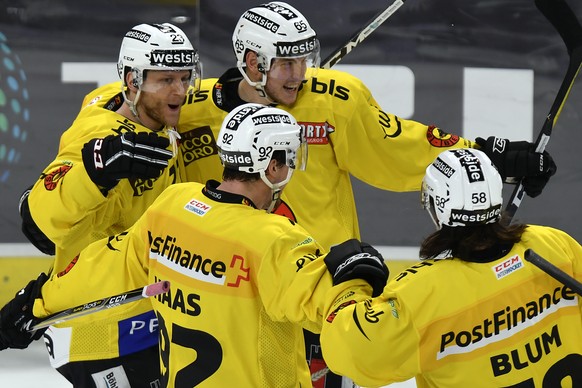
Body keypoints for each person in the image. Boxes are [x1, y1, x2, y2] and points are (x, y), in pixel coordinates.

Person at [28, 2, 557, 386]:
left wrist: (493, 154)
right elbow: (112, 111)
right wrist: (100, 151)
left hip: (317, 294)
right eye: (284, 62)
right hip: (230, 298)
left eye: (305, 60)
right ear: (251, 62)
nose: (299, 75)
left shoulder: (335, 103)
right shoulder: (191, 108)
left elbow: (405, 149)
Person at [0, 103, 390, 387]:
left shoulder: (172, 207)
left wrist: (37, 300)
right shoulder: (275, 239)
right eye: (289, 161)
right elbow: (342, 324)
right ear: (271, 166)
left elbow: (104, 267)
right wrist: (358, 282)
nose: (290, 173)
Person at [17, 23, 202, 387]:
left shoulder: (132, 104)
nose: (180, 91)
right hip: (99, 333)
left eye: (185, 77)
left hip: (144, 318)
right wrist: (93, 169)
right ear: (133, 81)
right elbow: (39, 217)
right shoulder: (99, 135)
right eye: (166, 80)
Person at [319, 148, 582, 388]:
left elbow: (351, 353)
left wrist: (349, 288)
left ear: (436, 206)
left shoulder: (423, 293)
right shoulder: (552, 244)